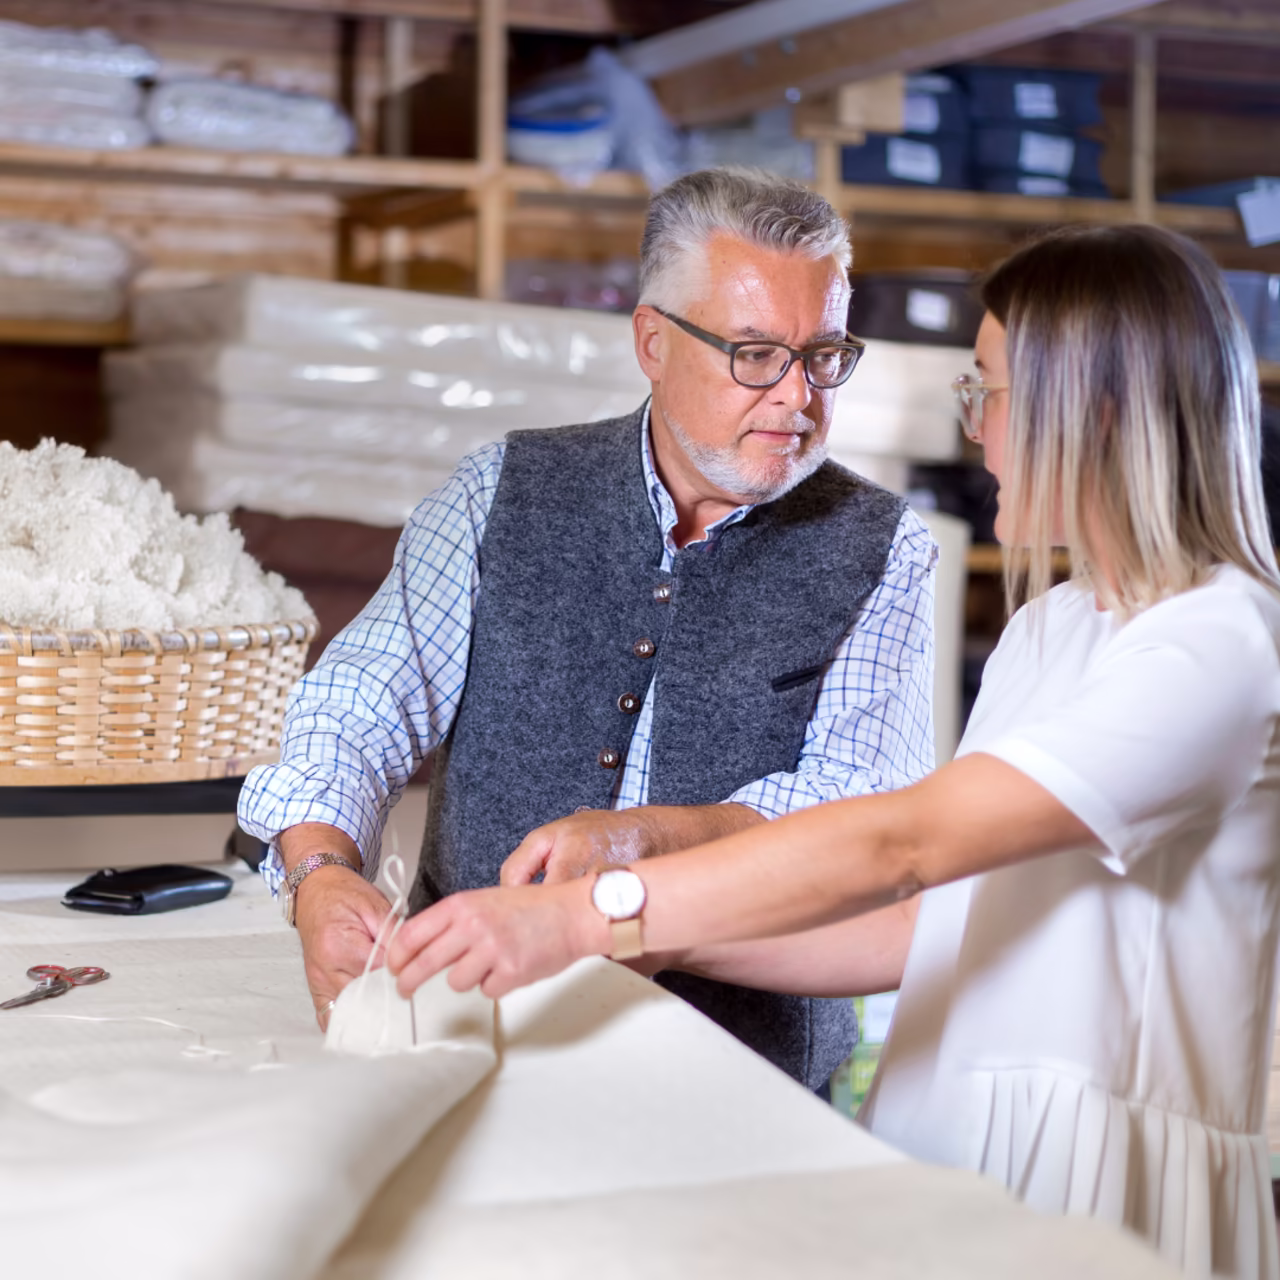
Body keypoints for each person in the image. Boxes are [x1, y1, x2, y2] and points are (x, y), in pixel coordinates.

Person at [385, 223, 1280, 1279]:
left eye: (987, 392)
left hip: (1089, 1182)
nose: (976, 435)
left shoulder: (1217, 644)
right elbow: (916, 923)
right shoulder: (1057, 626)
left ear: (1091, 411)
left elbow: (903, 841)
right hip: (947, 1137)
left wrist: (587, 911)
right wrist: (625, 937)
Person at [237, 166, 940, 1091]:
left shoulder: (887, 550)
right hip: (468, 1038)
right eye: (757, 353)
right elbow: (361, 703)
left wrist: (641, 842)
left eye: (823, 356)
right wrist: (320, 869)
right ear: (653, 341)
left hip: (743, 1075)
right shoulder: (502, 491)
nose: (797, 397)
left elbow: (852, 817)